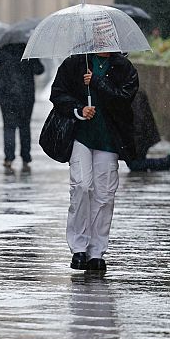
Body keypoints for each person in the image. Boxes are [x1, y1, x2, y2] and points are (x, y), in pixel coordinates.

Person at [50, 52, 138, 272]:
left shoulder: (124, 68)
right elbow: (58, 93)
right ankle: (78, 248)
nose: (102, 39)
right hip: (80, 136)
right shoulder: (74, 63)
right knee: (81, 185)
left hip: (109, 139)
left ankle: (96, 251)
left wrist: (98, 82)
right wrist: (78, 109)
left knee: (104, 195)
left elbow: (124, 99)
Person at [0, 43, 45, 173]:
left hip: (6, 95)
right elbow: (40, 70)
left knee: (9, 126)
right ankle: (26, 157)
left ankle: (9, 158)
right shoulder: (28, 51)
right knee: (25, 126)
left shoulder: (0, 52)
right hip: (26, 95)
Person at [126, 88, 170, 171]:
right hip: (141, 136)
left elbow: (139, 121)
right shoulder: (132, 91)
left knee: (135, 164)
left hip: (140, 137)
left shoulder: (133, 94)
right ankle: (168, 163)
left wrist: (134, 141)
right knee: (138, 164)